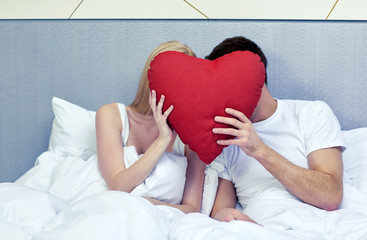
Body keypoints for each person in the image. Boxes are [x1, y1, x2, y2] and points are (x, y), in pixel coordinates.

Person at [207, 36, 344, 222]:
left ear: (256, 78)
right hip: (260, 226)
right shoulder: (227, 136)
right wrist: (227, 217)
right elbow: (222, 210)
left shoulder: (311, 114)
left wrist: (259, 150)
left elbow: (331, 196)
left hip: (316, 223)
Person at [95, 40, 206, 214]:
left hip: (159, 219)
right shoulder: (111, 115)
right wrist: (162, 140)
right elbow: (118, 186)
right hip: (114, 213)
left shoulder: (192, 140)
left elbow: (192, 209)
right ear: (151, 78)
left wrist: (148, 204)